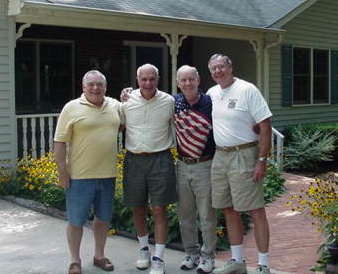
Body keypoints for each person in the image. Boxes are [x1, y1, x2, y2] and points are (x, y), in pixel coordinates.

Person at [207, 54, 273, 274]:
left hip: (244, 154)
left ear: (230, 67)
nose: (218, 71)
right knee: (228, 209)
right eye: (214, 68)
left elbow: (265, 126)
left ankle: (263, 264)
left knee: (255, 209)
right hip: (220, 156)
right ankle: (237, 262)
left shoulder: (247, 89)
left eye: (221, 67)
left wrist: (261, 160)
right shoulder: (212, 93)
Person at [54, 70, 121, 274]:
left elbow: (124, 123)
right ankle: (75, 260)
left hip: (108, 175)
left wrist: (128, 95)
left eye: (99, 84)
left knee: (103, 219)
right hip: (80, 177)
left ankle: (99, 256)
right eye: (90, 84)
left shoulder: (115, 106)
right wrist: (62, 172)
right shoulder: (71, 108)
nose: (95, 88)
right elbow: (60, 141)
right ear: (83, 87)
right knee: (76, 221)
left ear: (105, 87)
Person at [121, 63, 176, 274]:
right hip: (134, 159)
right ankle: (143, 248)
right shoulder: (126, 101)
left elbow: (180, 125)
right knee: (138, 207)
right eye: (143, 79)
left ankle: (159, 258)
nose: (148, 83)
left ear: (158, 79)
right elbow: (117, 124)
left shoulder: (168, 101)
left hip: (160, 159)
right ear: (137, 80)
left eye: (151, 79)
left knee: (159, 208)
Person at [174, 65, 217, 274]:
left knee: (207, 215)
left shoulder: (210, 102)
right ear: (178, 83)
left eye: (191, 79)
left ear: (198, 80)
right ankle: (191, 253)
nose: (188, 83)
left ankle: (208, 257)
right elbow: (147, 96)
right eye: (183, 80)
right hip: (182, 165)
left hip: (205, 165)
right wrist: (128, 93)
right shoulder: (173, 102)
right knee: (185, 215)